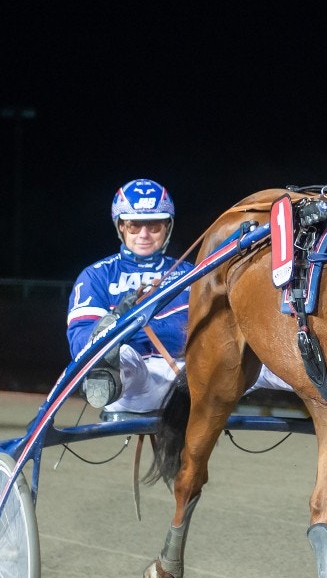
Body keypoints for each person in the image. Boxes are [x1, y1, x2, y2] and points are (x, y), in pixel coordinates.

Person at [67, 178, 290, 421]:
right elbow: (81, 342)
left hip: (196, 376)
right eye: (134, 225)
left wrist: (141, 329)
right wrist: (118, 326)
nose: (144, 234)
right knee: (121, 354)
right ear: (120, 226)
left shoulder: (193, 273)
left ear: (167, 227)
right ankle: (106, 370)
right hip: (136, 380)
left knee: (270, 356)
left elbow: (218, 332)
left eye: (154, 225)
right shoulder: (96, 275)